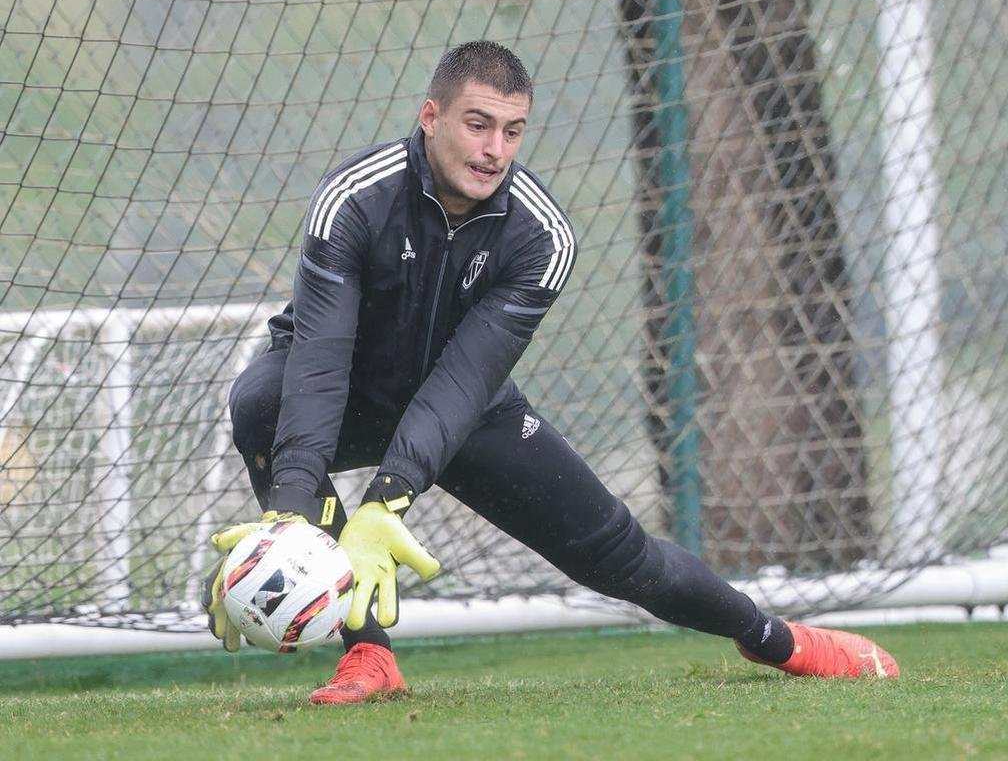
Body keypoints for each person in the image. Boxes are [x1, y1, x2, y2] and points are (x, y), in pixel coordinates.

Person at [204, 40, 899, 705]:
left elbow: (465, 379)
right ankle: (369, 654)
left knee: (622, 558)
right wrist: (290, 513)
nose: (494, 150)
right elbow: (319, 361)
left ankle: (776, 639)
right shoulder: (354, 198)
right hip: (348, 397)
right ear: (431, 116)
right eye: (478, 124)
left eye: (512, 131)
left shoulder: (542, 235)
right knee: (261, 399)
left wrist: (386, 501)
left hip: (466, 406)